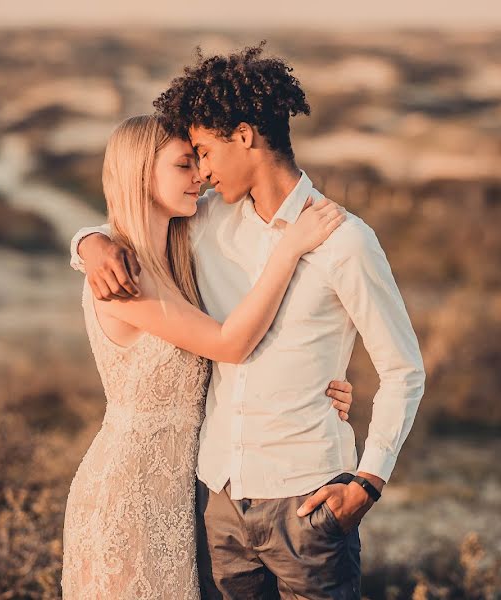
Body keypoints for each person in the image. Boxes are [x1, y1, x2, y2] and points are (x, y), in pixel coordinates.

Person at [70, 44, 426, 600]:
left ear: (243, 136)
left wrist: (369, 481)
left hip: (307, 500)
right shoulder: (207, 223)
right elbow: (137, 215)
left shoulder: (344, 239)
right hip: (219, 503)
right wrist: (88, 244)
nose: (203, 172)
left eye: (205, 152)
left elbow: (403, 369)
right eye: (192, 159)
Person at [62, 113, 351, 599]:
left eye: (198, 161)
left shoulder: (176, 256)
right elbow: (229, 344)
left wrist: (315, 383)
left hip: (184, 497)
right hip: (128, 493)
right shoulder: (124, 276)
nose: (199, 175)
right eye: (182, 165)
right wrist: (291, 247)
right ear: (139, 175)